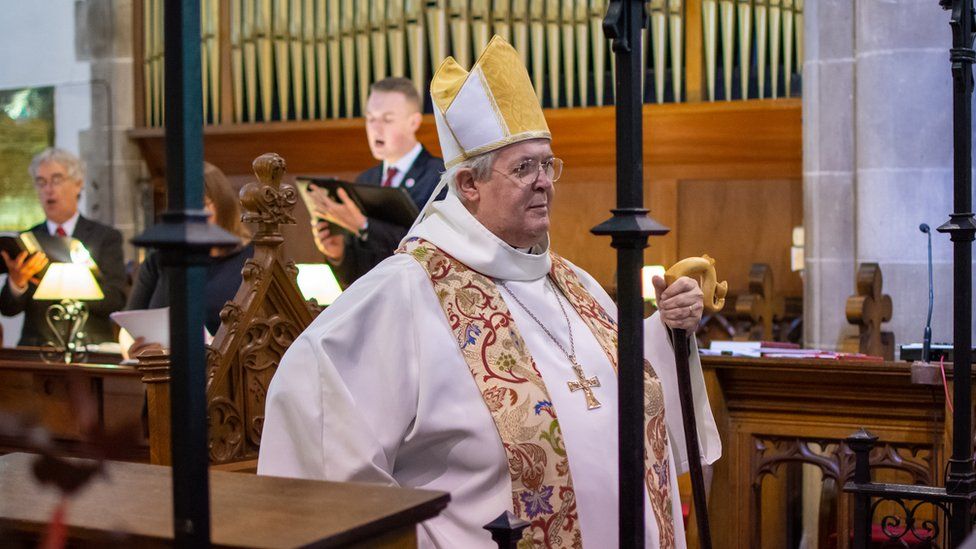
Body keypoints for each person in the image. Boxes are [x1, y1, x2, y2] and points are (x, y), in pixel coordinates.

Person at [258, 37, 720, 548]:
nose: (544, 182)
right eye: (523, 168)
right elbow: (315, 405)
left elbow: (619, 380)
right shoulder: (406, 292)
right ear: (467, 184)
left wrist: (668, 331)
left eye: (548, 164)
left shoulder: (571, 282)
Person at [309, 76, 444, 287]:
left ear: (414, 122)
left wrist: (363, 226)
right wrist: (338, 254)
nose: (376, 128)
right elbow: (357, 280)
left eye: (387, 119)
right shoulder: (366, 179)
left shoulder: (439, 176)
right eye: (370, 118)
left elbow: (429, 251)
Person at [0, 148, 126, 346]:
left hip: (90, 347)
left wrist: (72, 284)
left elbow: (116, 300)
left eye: (56, 180)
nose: (48, 189)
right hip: (36, 348)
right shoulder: (28, 240)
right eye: (41, 182)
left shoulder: (105, 237)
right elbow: (8, 309)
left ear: (78, 184)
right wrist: (17, 283)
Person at [125, 161, 253, 350]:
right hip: (162, 372)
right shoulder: (160, 259)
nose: (191, 218)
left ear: (223, 203)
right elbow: (128, 327)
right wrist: (135, 351)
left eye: (201, 206)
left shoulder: (255, 258)